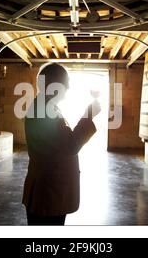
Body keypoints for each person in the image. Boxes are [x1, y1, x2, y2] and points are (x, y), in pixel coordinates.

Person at [22, 63, 101, 225]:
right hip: (48, 192)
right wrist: (88, 115)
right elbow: (70, 145)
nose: (68, 87)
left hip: (49, 188)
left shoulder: (46, 106)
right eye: (66, 82)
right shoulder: (43, 110)